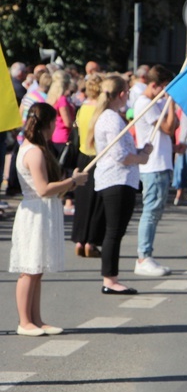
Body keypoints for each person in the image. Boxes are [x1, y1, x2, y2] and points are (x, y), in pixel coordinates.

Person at [9, 102, 88, 336]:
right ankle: (25, 321)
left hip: (41, 211)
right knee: (29, 268)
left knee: (37, 268)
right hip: (34, 213)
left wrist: (69, 181)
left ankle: (36, 319)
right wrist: (73, 182)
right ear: (49, 123)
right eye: (55, 122)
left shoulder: (35, 148)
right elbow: (43, 189)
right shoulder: (33, 151)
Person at [90, 75, 152, 294]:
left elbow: (123, 152)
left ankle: (111, 277)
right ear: (122, 94)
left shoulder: (112, 117)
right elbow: (120, 155)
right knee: (114, 232)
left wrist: (140, 152)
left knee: (115, 231)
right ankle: (110, 279)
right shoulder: (111, 119)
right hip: (117, 179)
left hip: (119, 179)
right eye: (127, 90)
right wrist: (140, 158)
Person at [133, 65, 178, 277]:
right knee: (150, 211)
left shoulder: (157, 101)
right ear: (154, 85)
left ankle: (147, 254)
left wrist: (169, 102)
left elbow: (173, 126)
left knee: (156, 211)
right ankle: (143, 256)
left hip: (162, 162)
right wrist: (170, 103)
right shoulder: (144, 102)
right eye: (164, 87)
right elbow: (168, 128)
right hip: (153, 165)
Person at [71, 75, 105, 259]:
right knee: (97, 201)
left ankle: (79, 240)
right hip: (97, 156)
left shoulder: (82, 107)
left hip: (83, 155)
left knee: (83, 201)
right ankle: (91, 242)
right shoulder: (101, 109)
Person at [46, 69, 76, 216]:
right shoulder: (62, 99)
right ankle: (68, 200)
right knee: (67, 169)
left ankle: (61, 196)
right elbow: (67, 121)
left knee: (58, 168)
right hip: (64, 136)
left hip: (54, 136)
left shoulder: (51, 97)